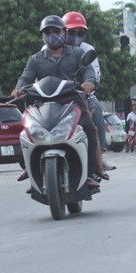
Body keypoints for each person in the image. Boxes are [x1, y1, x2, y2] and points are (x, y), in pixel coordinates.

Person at [12, 15, 102, 187]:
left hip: (72, 102)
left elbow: (89, 72)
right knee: (25, 131)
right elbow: (25, 78)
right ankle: (30, 168)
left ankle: (90, 173)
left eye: (56, 31)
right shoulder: (35, 59)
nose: (52, 34)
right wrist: (18, 88)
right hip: (42, 106)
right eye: (47, 31)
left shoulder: (77, 54)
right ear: (42, 35)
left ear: (64, 32)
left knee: (89, 128)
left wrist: (89, 82)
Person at [62, 11, 114, 171]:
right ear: (62, 32)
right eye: (71, 32)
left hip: (80, 95)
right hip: (54, 96)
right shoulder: (47, 50)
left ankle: (100, 154)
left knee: (96, 109)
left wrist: (89, 83)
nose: (75, 36)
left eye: (80, 33)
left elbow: (93, 73)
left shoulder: (86, 50)